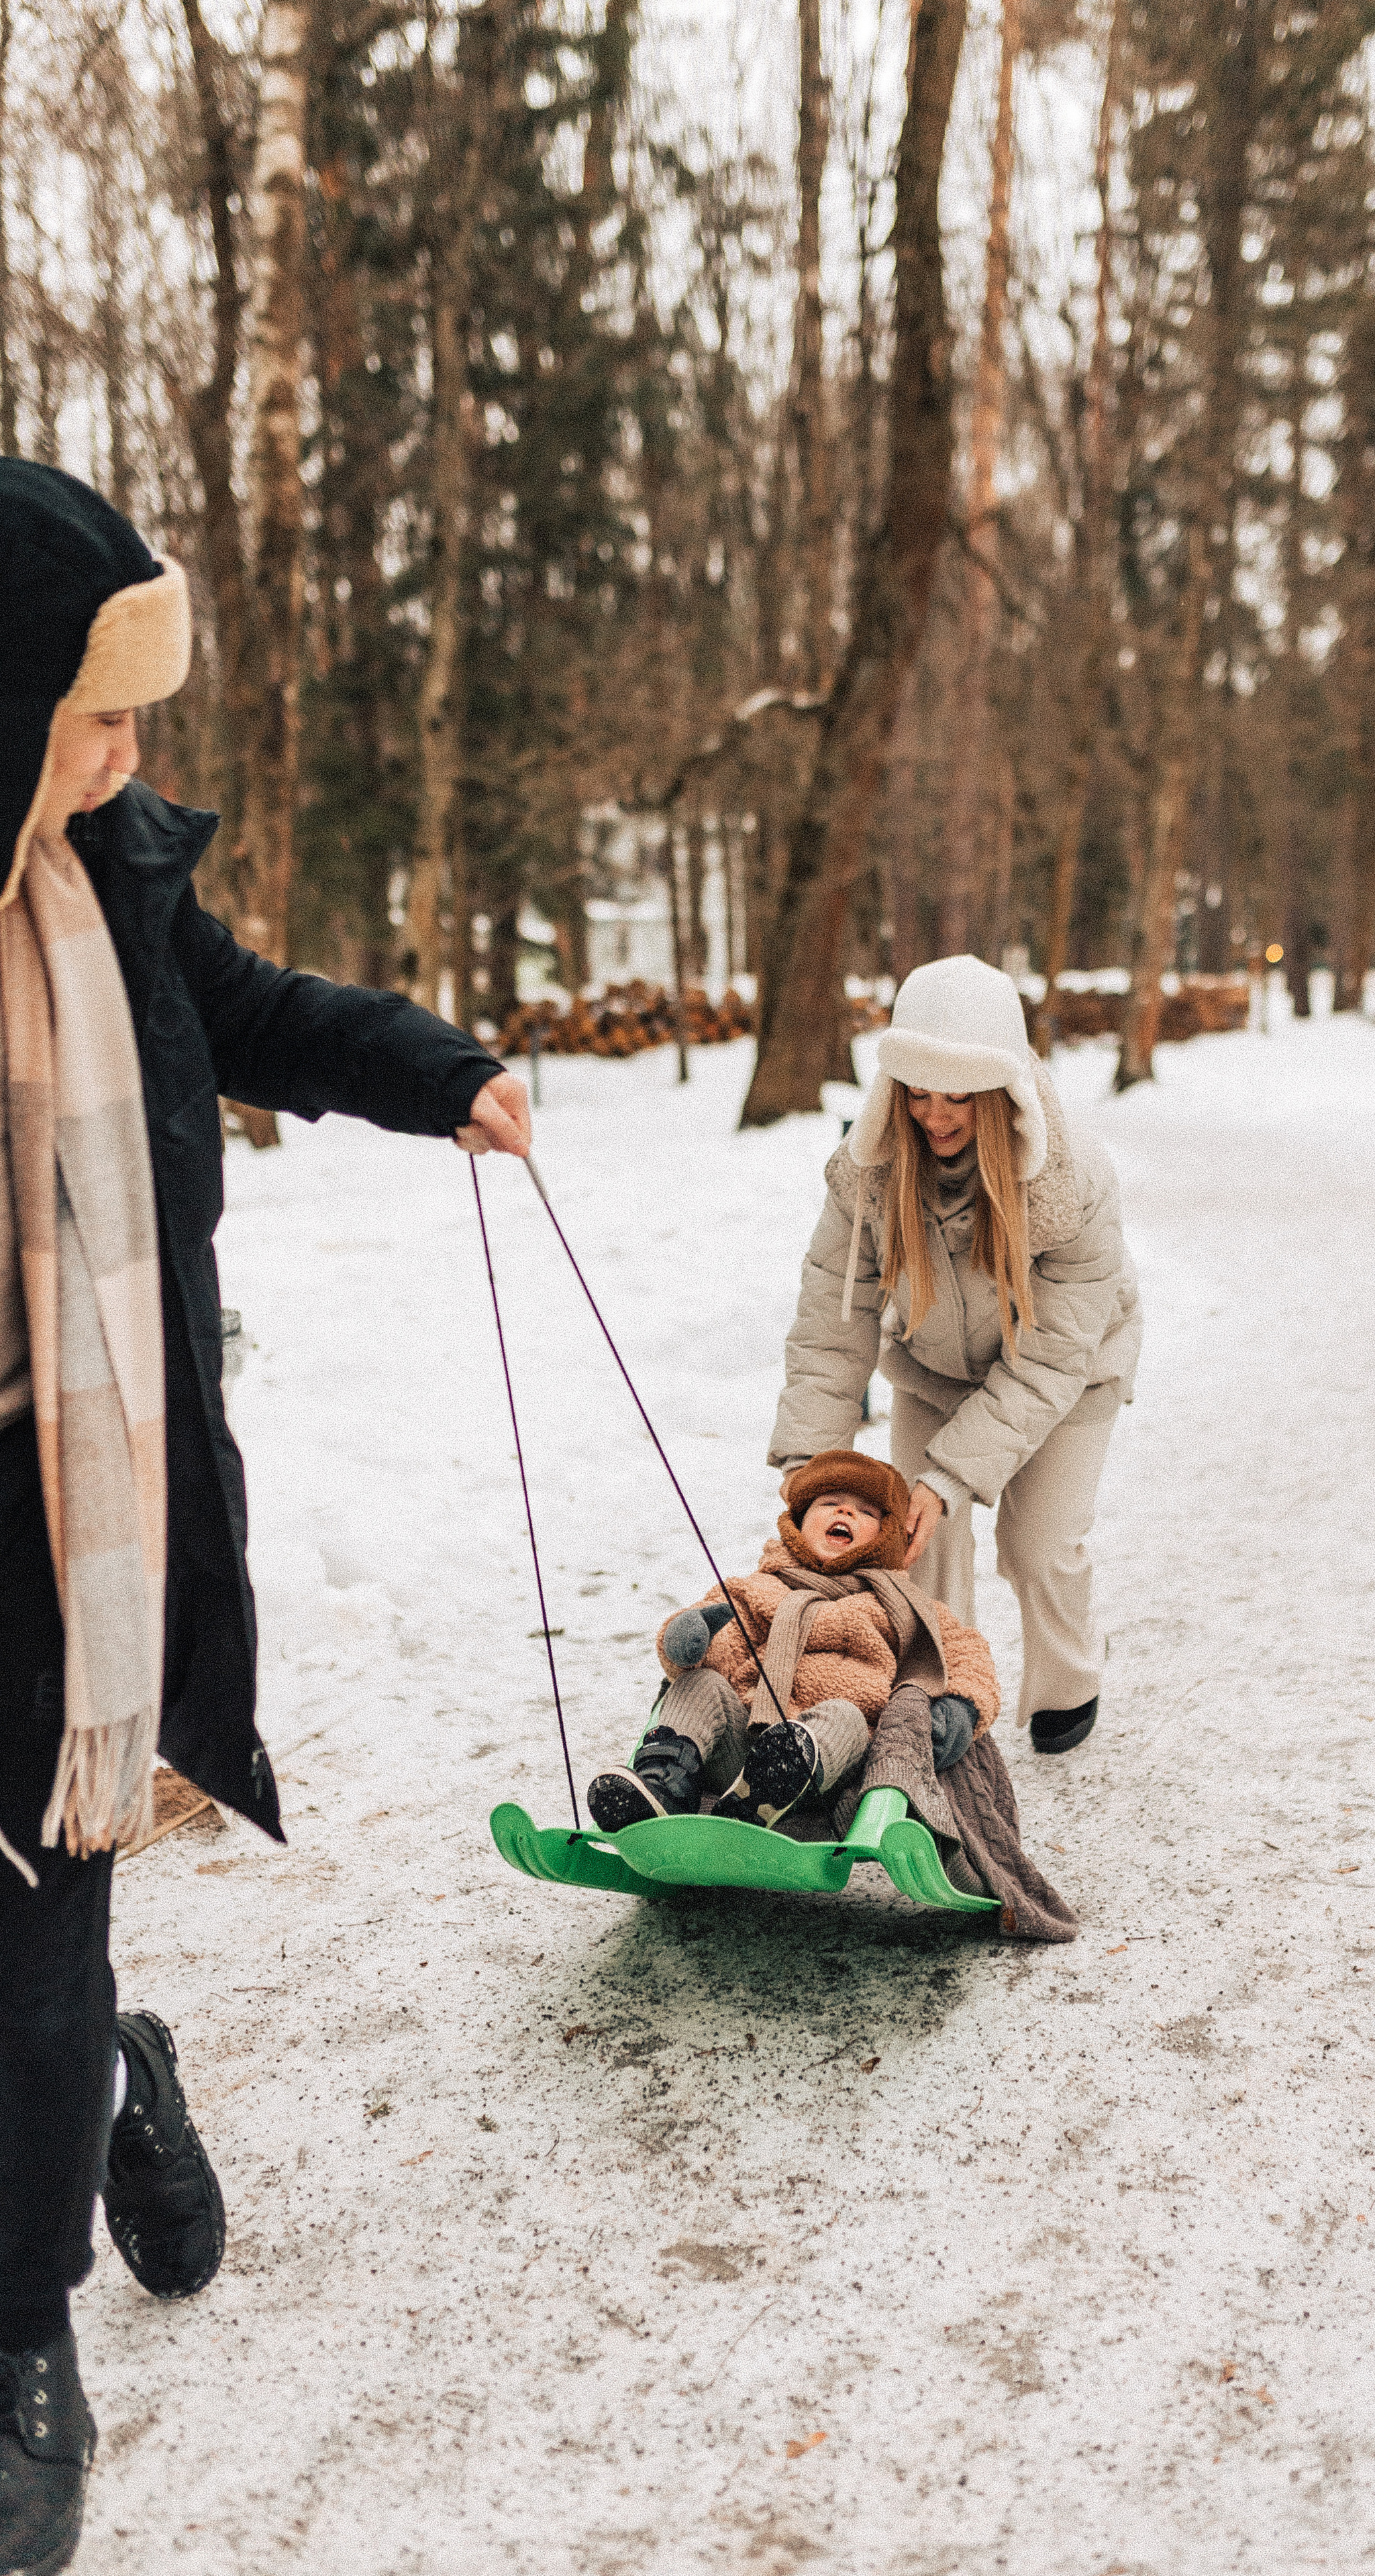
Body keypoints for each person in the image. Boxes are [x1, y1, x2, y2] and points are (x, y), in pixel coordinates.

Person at [0, 459, 530, 2573]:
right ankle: (117, 2078)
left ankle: (24, 2337)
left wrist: (430, 1065)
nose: (134, 760)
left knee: (33, 1916)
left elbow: (256, 1012)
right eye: (98, 715)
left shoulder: (110, 876)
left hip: (67, 1513)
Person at [770, 954, 1141, 1758]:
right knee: (917, 1538)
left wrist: (951, 1476)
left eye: (959, 1096)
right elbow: (835, 1316)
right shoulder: (869, 1176)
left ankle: (1066, 1681)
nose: (936, 1115)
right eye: (919, 1093)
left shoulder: (1072, 1182)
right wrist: (810, 1459)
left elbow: (1050, 1360)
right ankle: (936, 1706)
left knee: (1037, 1543)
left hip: (1068, 1376)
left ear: (1002, 1091)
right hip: (936, 1370)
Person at [586, 1450, 997, 1834]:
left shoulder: (904, 1605)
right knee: (700, 1685)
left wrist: (961, 1706)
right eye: (829, 1503)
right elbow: (724, 1646)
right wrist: (690, 1639)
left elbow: (966, 1655)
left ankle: (774, 1788)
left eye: (867, 1511)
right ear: (798, 1524)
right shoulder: (758, 1589)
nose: (846, 1511)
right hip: (740, 1750)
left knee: (845, 1714)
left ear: (887, 1535)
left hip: (836, 1767)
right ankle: (662, 1787)